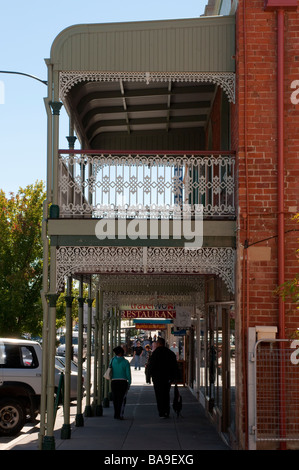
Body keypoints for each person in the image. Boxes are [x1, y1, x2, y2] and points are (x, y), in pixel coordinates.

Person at [147, 337, 179, 418]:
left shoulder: (155, 353)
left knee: (159, 395)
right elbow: (175, 366)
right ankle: (166, 411)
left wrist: (148, 376)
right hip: (167, 378)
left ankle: (161, 412)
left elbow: (150, 365)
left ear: (158, 344)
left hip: (157, 378)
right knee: (166, 394)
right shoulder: (170, 353)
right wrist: (175, 377)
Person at [110, 346, 131, 420]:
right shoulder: (126, 362)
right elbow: (128, 373)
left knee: (115, 398)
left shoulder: (112, 360)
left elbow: (110, 370)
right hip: (123, 382)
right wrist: (129, 382)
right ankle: (120, 414)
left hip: (114, 381)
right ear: (121, 353)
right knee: (122, 398)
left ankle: (116, 413)